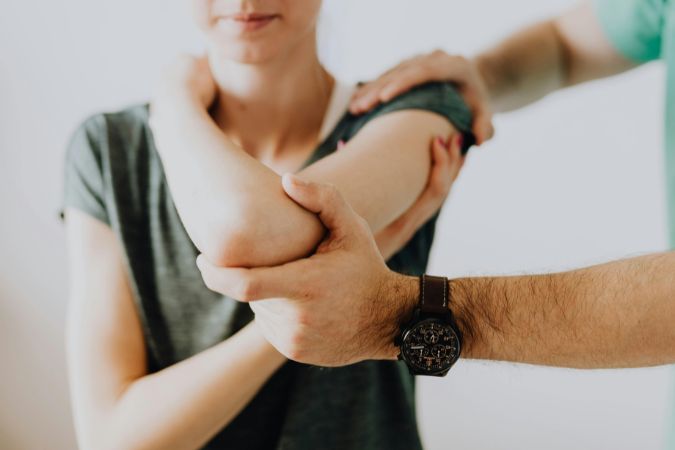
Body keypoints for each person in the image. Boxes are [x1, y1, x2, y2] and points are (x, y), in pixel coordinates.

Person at [193, 0, 675, 444]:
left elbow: (255, 230)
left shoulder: (402, 121)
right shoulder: (119, 142)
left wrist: (402, 312)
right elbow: (567, 45)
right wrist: (479, 77)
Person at [61, 1, 479, 449]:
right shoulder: (110, 149)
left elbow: (248, 230)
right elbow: (111, 438)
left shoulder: (414, 112)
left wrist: (174, 105)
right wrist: (309, 306)